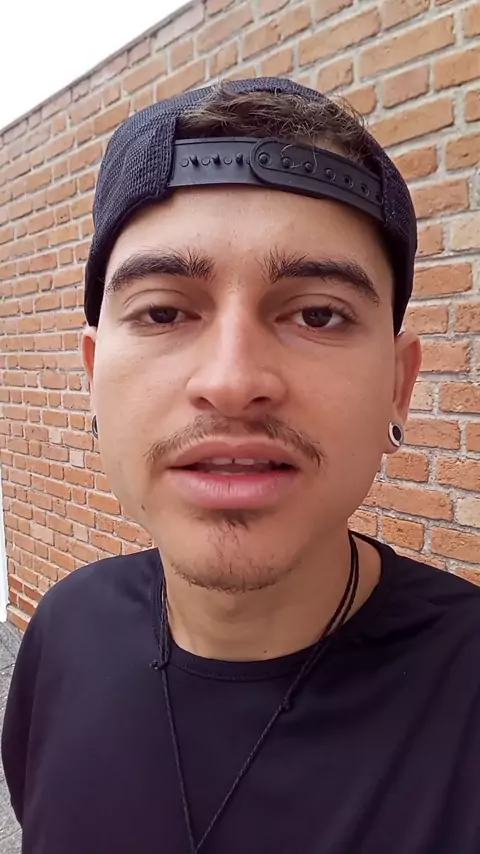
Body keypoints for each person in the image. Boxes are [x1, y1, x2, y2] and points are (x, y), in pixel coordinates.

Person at [2, 77, 479, 854]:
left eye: (318, 313)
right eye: (163, 311)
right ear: (93, 375)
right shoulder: (64, 634)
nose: (231, 381)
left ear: (399, 385)